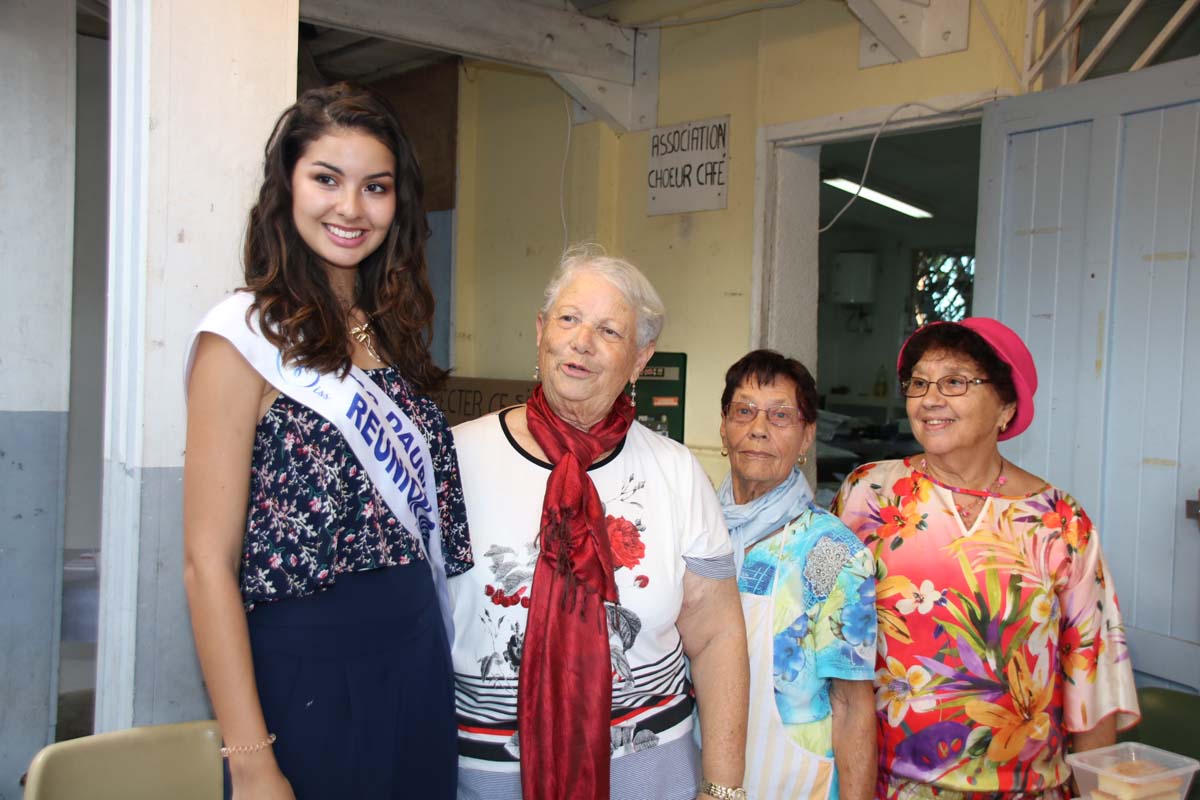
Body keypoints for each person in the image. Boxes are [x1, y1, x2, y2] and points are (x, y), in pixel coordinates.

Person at [182, 83, 472, 800]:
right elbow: (205, 566)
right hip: (307, 663)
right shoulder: (242, 339)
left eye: (374, 187)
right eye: (326, 179)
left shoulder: (391, 334)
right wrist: (250, 759)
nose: (351, 208)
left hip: (415, 655)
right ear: (286, 188)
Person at [449, 246, 749, 800]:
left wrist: (724, 787)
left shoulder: (676, 472)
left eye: (610, 331)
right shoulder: (455, 458)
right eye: (568, 318)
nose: (582, 341)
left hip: (648, 773)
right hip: (486, 774)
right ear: (540, 331)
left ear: (640, 359)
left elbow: (717, 637)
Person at [834, 318, 1140, 799]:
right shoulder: (868, 494)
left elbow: (1092, 674)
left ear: (1007, 405)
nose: (930, 398)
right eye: (918, 382)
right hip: (889, 787)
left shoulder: (1058, 521)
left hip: (1029, 789)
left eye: (955, 381)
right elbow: (825, 636)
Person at [716, 350, 877, 800]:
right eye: (744, 411)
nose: (759, 428)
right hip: (702, 771)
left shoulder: (829, 552)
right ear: (724, 427)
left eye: (781, 415)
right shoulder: (698, 531)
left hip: (792, 777)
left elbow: (851, 705)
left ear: (807, 437)